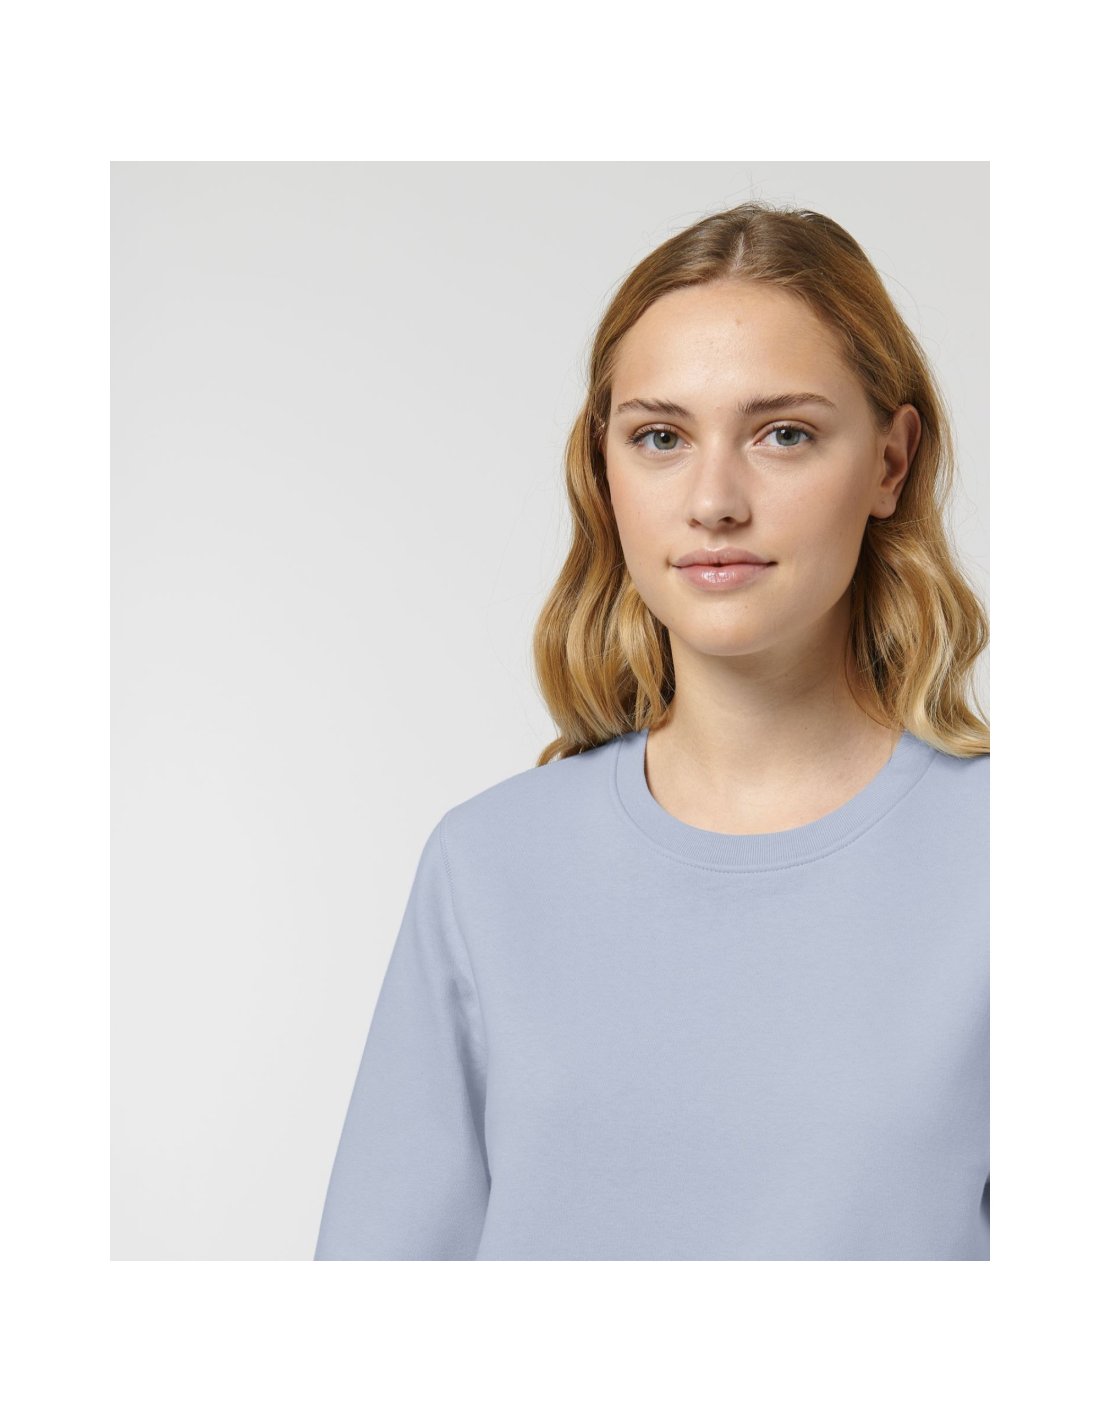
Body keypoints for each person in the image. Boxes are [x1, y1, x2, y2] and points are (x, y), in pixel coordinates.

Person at [313, 202, 990, 1261]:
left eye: (784, 434)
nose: (714, 501)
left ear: (890, 463)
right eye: (660, 438)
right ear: (605, 469)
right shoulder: (487, 865)